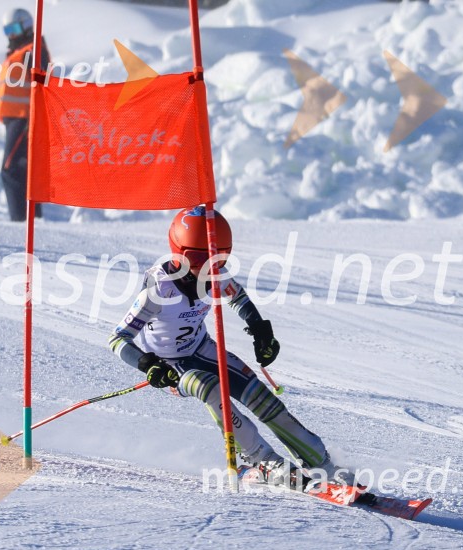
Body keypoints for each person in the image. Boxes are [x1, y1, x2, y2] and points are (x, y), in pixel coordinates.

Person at [108, 206, 337, 489]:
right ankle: (263, 460)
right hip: (171, 366)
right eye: (196, 258)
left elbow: (237, 297)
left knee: (259, 396)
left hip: (202, 349)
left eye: (217, 259)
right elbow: (118, 338)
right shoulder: (160, 290)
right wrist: (148, 365)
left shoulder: (216, 274)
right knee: (209, 387)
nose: (205, 269)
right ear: (179, 252)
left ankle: (321, 460)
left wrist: (260, 330)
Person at [0, 8, 51, 222]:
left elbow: (40, 73)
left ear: (27, 25)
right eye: (7, 30)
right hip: (15, 120)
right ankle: (32, 222)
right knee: (23, 172)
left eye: (14, 28)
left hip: (26, 119)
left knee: (11, 170)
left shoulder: (32, 50)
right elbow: (16, 90)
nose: (10, 35)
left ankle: (20, 224)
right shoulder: (17, 53)